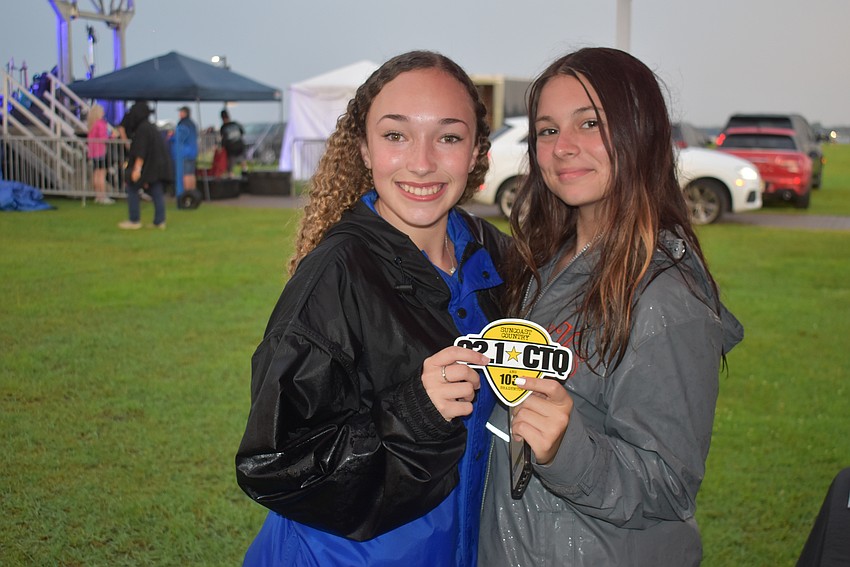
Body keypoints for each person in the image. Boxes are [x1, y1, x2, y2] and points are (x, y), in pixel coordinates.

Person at [235, 50, 507, 567]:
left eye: (448, 137)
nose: (422, 161)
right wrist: (415, 411)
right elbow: (274, 463)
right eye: (396, 135)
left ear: (476, 152)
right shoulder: (334, 276)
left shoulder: (491, 253)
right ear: (364, 148)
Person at [477, 47, 744, 566]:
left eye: (590, 123)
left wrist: (564, 450)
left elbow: (669, 484)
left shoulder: (666, 298)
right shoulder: (542, 264)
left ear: (639, 132)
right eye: (547, 130)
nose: (562, 148)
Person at [117, 100, 173, 230]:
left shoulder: (142, 129)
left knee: (132, 188)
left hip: (150, 168)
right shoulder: (151, 128)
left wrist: (137, 169)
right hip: (158, 167)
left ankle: (134, 220)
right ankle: (160, 221)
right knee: (156, 191)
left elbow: (141, 151)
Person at [86, 103, 114, 204]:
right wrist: (112, 136)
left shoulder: (91, 124)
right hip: (100, 151)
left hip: (93, 152)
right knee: (101, 174)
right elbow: (103, 138)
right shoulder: (100, 124)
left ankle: (98, 195)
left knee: (96, 174)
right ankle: (102, 196)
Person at [171, 105, 198, 199]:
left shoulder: (182, 124)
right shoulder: (193, 124)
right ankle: (193, 194)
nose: (179, 114)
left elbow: (179, 137)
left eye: (181, 112)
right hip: (192, 152)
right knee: (191, 173)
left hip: (184, 152)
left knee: (185, 174)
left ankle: (186, 196)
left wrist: (171, 137)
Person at [219, 109, 245, 176]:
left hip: (231, 149)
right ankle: (246, 175)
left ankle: (232, 180)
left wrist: (221, 147)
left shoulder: (223, 127)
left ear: (222, 118)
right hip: (240, 146)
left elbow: (223, 139)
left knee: (230, 167)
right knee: (242, 162)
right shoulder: (235, 124)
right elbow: (242, 132)